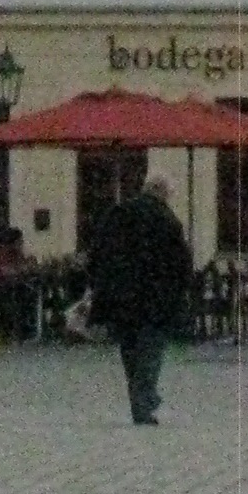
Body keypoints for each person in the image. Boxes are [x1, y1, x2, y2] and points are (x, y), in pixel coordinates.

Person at [84, 176, 191, 425]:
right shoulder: (167, 220)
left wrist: (100, 285)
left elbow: (97, 252)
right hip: (156, 298)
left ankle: (139, 401)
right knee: (151, 349)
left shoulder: (117, 214)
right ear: (162, 193)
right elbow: (181, 261)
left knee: (130, 350)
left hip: (120, 297)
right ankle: (145, 400)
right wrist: (182, 290)